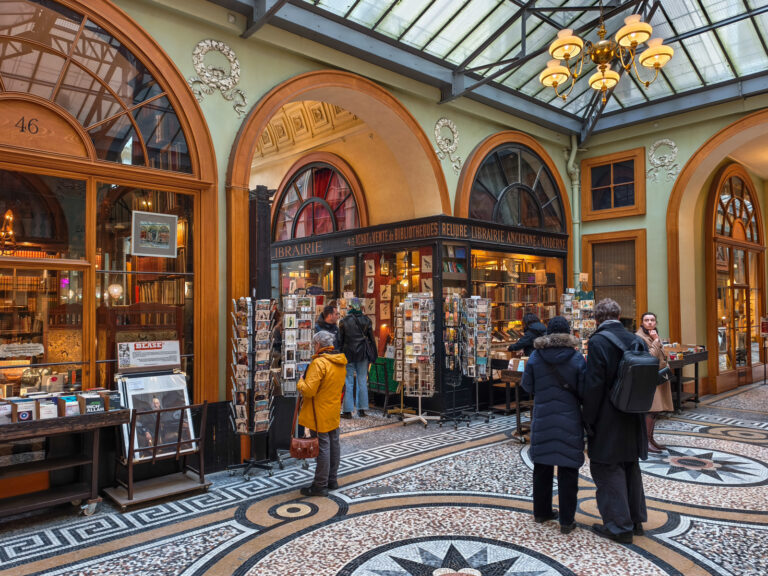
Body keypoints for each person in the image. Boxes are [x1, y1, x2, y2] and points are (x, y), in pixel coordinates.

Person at [582, 298, 648, 544]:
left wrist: (588, 419)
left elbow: (595, 385)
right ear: (619, 316)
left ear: (597, 319)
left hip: (609, 416)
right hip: (634, 414)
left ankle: (619, 526)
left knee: (607, 468)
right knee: (630, 466)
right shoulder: (636, 339)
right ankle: (636, 520)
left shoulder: (598, 341)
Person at [521, 316, 586, 535]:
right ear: (568, 332)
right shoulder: (576, 358)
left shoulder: (535, 357)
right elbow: (584, 389)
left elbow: (527, 385)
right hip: (569, 419)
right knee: (568, 469)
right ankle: (567, 520)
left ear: (548, 333)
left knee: (542, 466)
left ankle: (542, 512)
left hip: (544, 418)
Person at [297, 330, 347, 497]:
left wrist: (300, 382)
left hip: (318, 411)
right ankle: (332, 479)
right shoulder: (340, 361)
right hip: (333, 410)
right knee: (334, 444)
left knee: (323, 447)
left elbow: (309, 391)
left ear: (318, 345)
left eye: (314, 344)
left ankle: (320, 485)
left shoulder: (319, 363)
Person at [635, 312, 674, 453]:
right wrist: (657, 342)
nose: (650, 322)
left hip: (659, 376)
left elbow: (664, 354)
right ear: (642, 322)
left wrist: (657, 340)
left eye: (652, 320)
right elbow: (650, 357)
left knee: (656, 410)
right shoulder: (639, 338)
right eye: (647, 320)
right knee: (651, 410)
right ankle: (645, 441)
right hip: (649, 378)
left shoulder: (654, 335)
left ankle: (651, 439)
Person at [338, 297, 376, 419]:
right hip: (363, 354)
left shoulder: (344, 321)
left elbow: (340, 340)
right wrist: (374, 355)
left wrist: (338, 354)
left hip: (347, 354)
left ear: (349, 307)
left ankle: (348, 411)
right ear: (360, 307)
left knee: (348, 382)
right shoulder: (366, 320)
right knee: (362, 381)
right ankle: (362, 409)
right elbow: (371, 340)